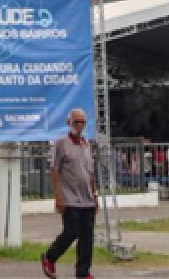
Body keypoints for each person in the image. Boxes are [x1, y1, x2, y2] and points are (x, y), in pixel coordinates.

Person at [41, 108, 97, 279]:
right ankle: (50, 257)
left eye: (83, 122)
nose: (80, 125)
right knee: (71, 232)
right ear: (69, 123)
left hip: (87, 198)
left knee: (87, 236)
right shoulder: (61, 143)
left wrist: (95, 195)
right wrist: (59, 196)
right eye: (76, 122)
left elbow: (90, 172)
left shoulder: (87, 144)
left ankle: (83, 271)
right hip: (70, 198)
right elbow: (55, 170)